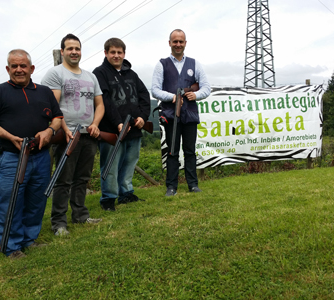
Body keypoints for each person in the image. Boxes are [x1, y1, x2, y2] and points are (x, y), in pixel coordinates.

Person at [0, 49, 63, 259]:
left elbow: (58, 118)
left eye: (23, 65)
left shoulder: (45, 92)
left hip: (42, 156)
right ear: (7, 69)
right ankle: (11, 246)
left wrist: (49, 131)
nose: (18, 70)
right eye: (14, 66)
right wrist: (10, 137)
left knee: (37, 201)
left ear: (31, 68)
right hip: (12, 157)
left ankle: (28, 240)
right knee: (10, 203)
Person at [41, 34, 105, 236]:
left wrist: (95, 124)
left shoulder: (90, 76)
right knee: (63, 180)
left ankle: (80, 216)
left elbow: (100, 104)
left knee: (82, 178)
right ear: (62, 52)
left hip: (88, 135)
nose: (74, 52)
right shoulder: (55, 74)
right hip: (66, 136)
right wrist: (64, 129)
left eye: (77, 48)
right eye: (70, 48)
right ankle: (59, 223)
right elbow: (51, 107)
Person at [93, 38, 151, 211]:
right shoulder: (100, 73)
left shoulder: (131, 74)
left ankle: (126, 193)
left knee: (130, 162)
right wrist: (118, 122)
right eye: (113, 52)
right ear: (105, 53)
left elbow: (144, 95)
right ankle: (109, 199)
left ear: (124, 53)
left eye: (119, 52)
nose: (116, 55)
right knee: (110, 165)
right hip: (112, 129)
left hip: (134, 128)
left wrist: (142, 117)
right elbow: (104, 101)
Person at [151, 29, 211, 196]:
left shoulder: (195, 63)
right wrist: (172, 97)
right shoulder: (161, 64)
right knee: (172, 152)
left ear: (185, 43)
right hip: (170, 115)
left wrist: (196, 95)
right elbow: (155, 90)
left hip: (190, 114)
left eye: (181, 41)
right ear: (169, 43)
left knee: (190, 151)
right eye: (175, 41)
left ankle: (193, 184)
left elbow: (206, 88)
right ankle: (171, 186)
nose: (178, 44)